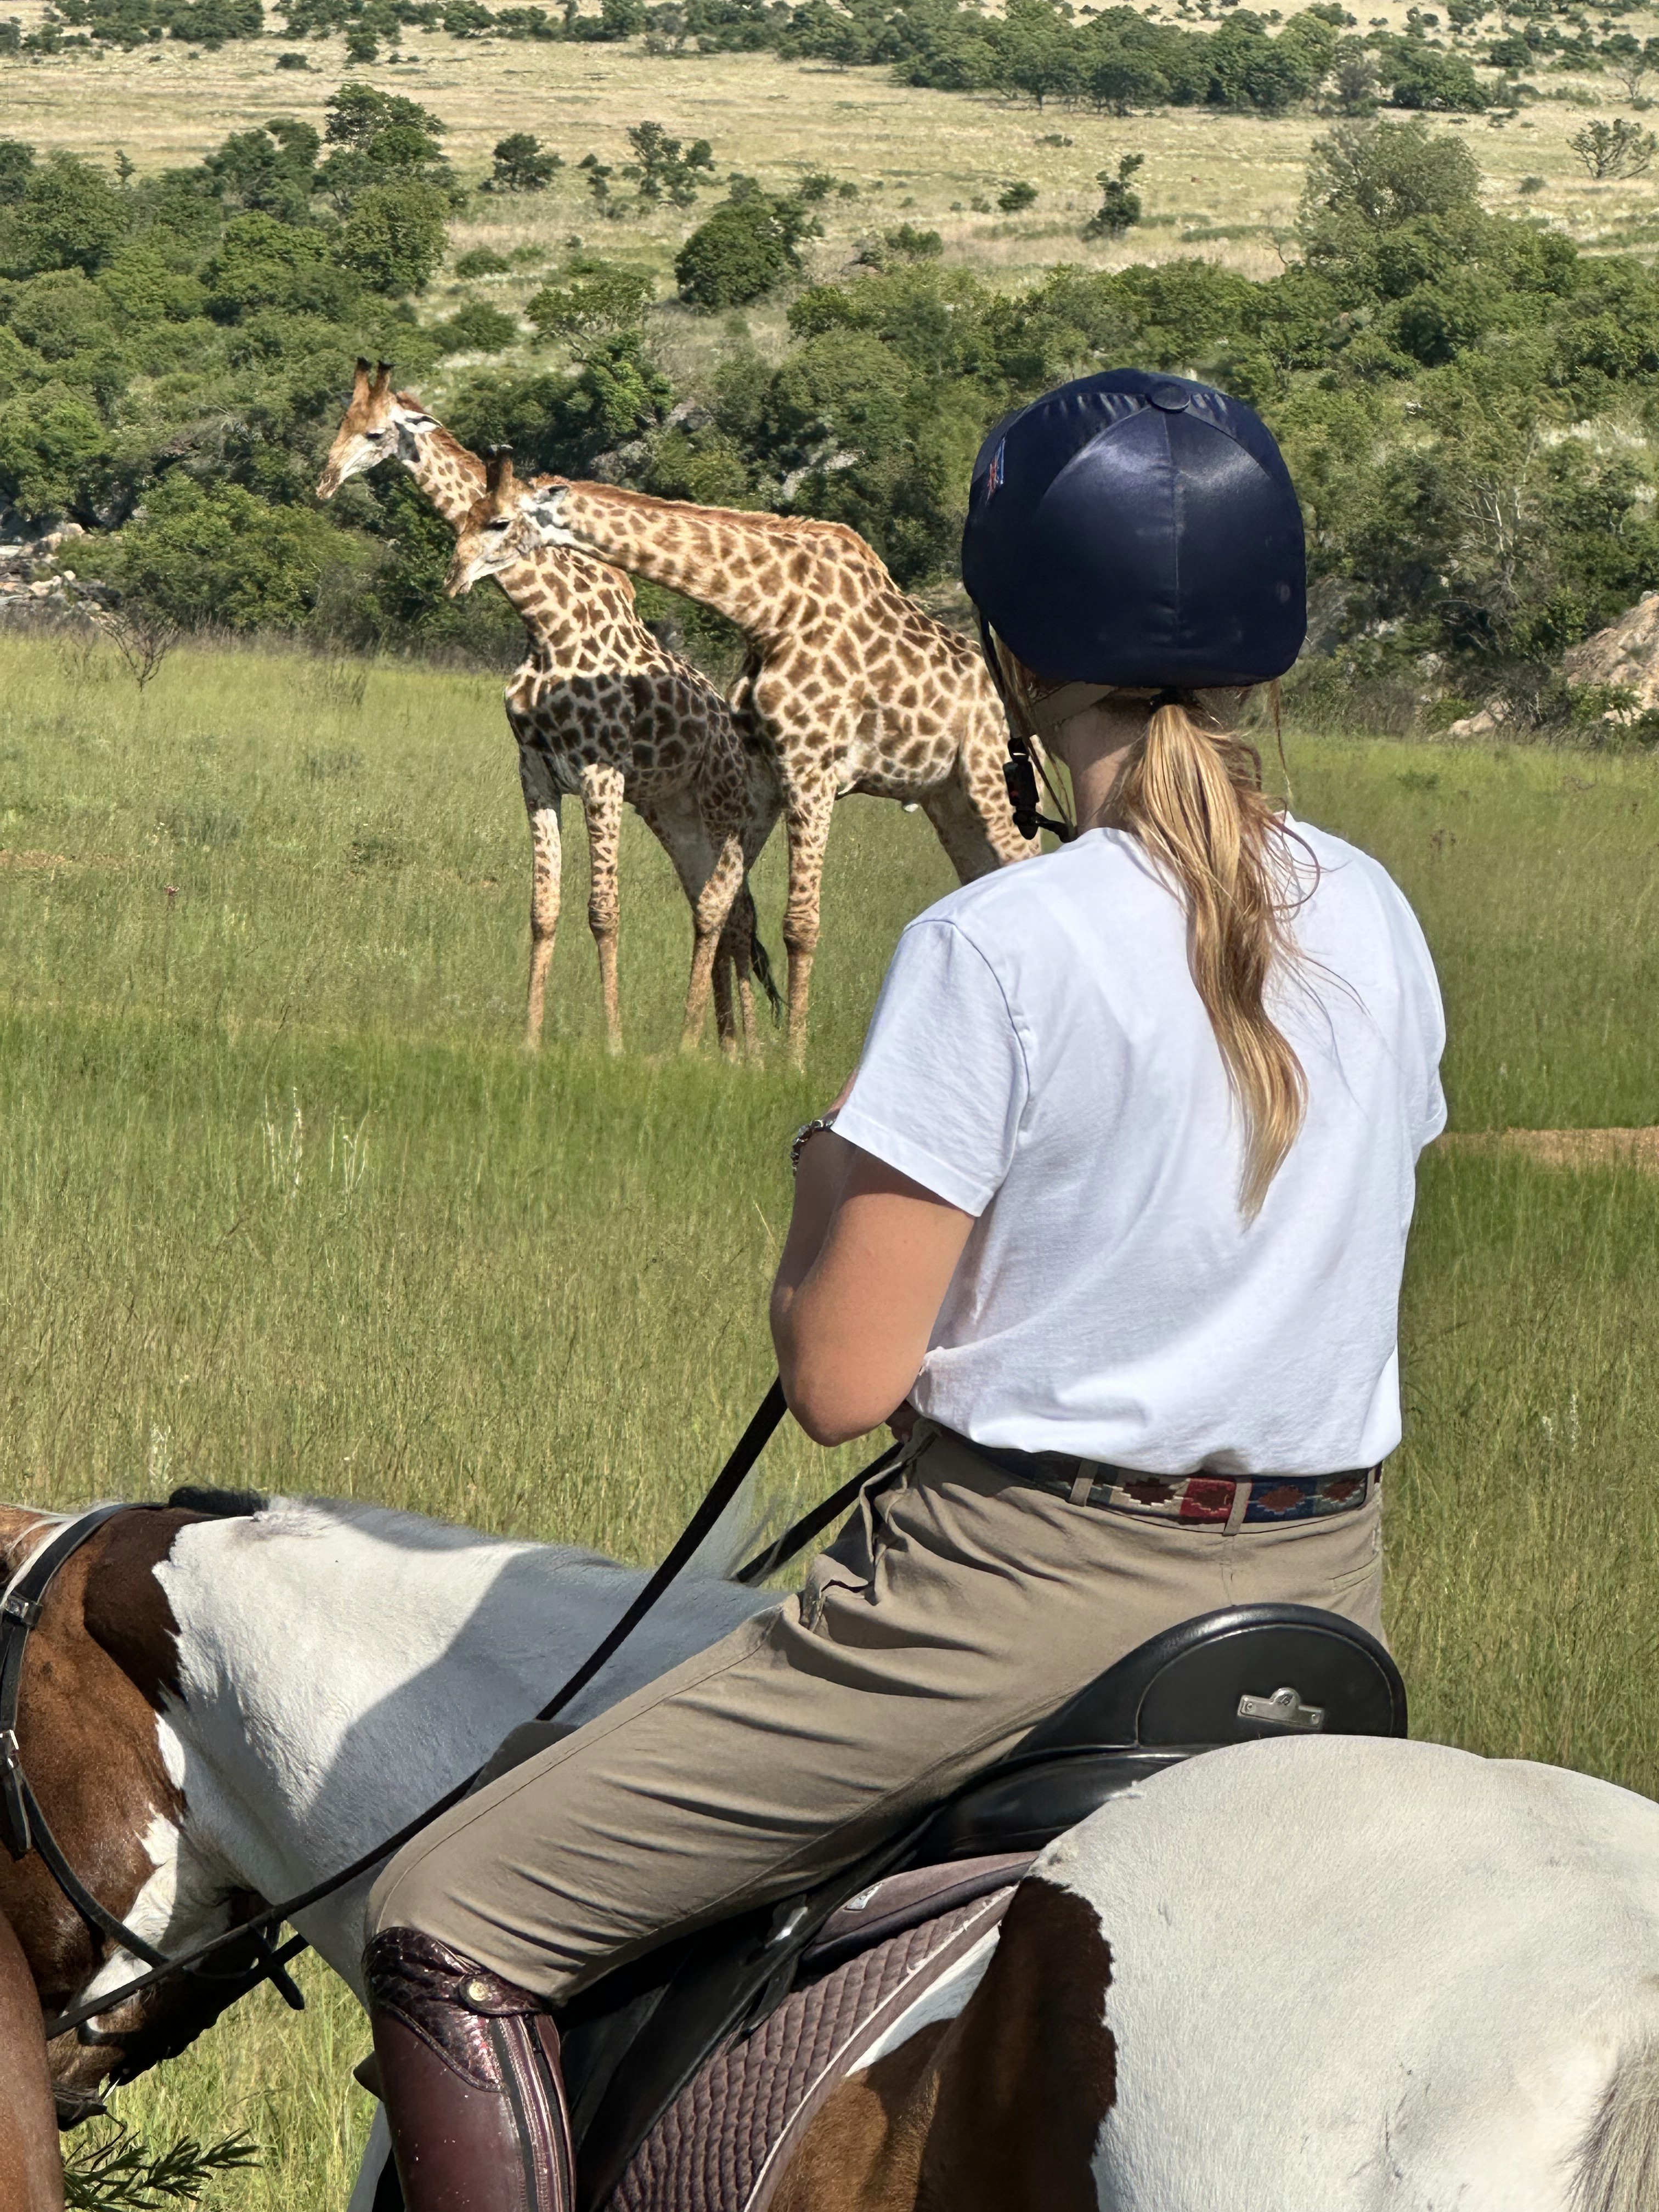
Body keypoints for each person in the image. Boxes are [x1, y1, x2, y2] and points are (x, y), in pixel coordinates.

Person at [360, 369, 1447, 2212]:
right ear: (1270, 648)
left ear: (1010, 647)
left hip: (1015, 1607)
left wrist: (827, 1184)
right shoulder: (1380, 912)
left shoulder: (998, 942)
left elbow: (844, 1380)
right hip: (1324, 1602)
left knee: (444, 1912)